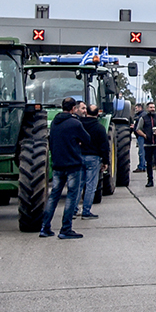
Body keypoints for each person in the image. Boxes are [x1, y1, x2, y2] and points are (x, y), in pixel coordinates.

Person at [41, 97, 91, 239]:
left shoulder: (55, 123)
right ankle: (65, 229)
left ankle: (45, 227)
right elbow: (87, 139)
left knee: (54, 195)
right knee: (71, 196)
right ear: (73, 109)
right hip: (73, 165)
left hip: (57, 164)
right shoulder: (75, 123)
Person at [78, 100, 110, 220]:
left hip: (79, 156)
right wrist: (105, 162)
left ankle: (74, 209)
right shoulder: (100, 128)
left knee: (79, 184)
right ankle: (86, 211)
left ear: (86, 113)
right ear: (97, 114)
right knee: (91, 186)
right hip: (94, 158)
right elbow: (104, 146)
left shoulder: (79, 125)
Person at [135, 101, 156, 187]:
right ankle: (150, 180)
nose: (152, 109)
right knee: (148, 163)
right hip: (148, 144)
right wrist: (144, 135)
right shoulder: (143, 118)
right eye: (150, 107)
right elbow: (138, 129)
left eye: (153, 107)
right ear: (147, 108)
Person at [133, 103, 146, 172]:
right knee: (141, 151)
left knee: (142, 152)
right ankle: (143, 165)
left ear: (140, 108)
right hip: (140, 136)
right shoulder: (139, 115)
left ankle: (142, 166)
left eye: (136, 108)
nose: (136, 110)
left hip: (141, 136)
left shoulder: (142, 115)